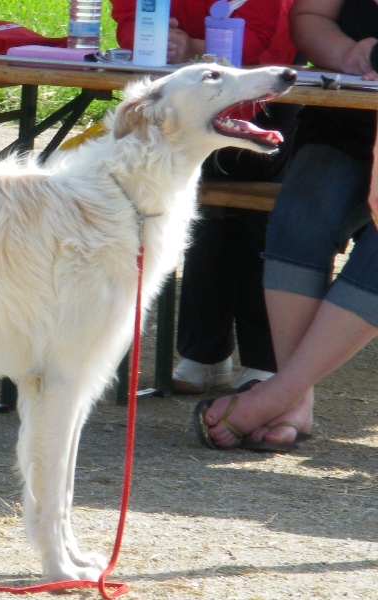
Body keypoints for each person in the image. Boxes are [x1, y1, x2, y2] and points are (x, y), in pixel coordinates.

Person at [195, 0, 378, 451]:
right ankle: (296, 400)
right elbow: (308, 17)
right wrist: (350, 54)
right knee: (299, 217)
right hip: (343, 125)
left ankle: (277, 394)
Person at [112, 0, 300, 394]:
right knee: (204, 216)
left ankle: (264, 360)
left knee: (256, 222)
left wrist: (193, 43)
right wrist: (161, 42)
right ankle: (204, 353)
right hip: (185, 108)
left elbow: (256, 40)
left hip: (265, 101)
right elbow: (129, 22)